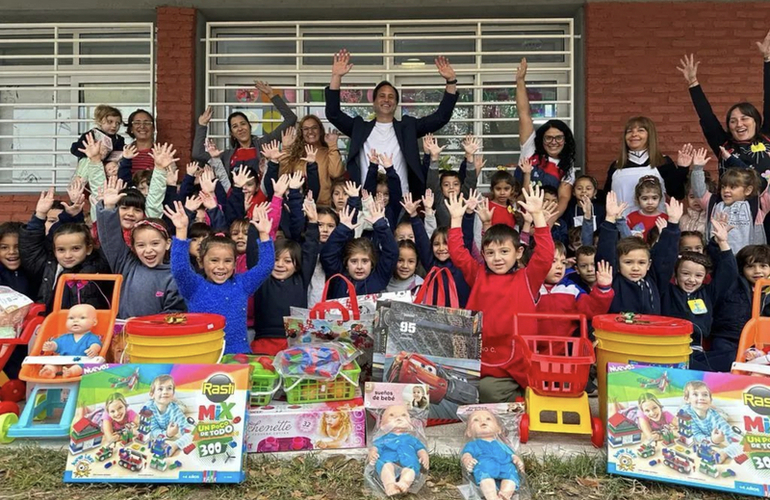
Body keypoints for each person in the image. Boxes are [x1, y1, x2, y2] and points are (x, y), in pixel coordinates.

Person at [446, 187, 554, 403]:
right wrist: (456, 220)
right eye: (490, 253)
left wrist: (538, 217)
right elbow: (458, 253)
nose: (497, 259)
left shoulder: (527, 277)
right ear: (483, 254)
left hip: (517, 362)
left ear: (519, 252)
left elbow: (544, 256)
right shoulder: (477, 274)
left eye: (504, 252)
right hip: (483, 357)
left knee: (490, 391)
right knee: (472, 391)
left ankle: (523, 396)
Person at [326, 49, 458, 197]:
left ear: (396, 104)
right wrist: (336, 76)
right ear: (374, 102)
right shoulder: (359, 128)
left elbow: (441, 117)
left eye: (391, 97)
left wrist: (451, 81)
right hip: (366, 200)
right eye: (382, 96)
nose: (386, 99)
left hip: (401, 200)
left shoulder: (408, 128)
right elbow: (333, 114)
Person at [166, 201, 274, 355]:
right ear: (201, 261)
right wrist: (181, 230)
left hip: (239, 354)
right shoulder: (194, 286)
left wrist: (264, 234)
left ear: (235, 263)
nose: (221, 267)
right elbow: (179, 269)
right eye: (214, 260)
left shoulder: (242, 284)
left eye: (228, 261)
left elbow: (265, 266)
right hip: (202, 354)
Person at [677, 30, 770, 180]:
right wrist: (693, 83)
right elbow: (707, 118)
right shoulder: (724, 145)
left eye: (744, 118)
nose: (739, 124)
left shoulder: (767, 137)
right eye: (733, 121)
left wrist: (767, 59)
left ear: (756, 121)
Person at [96, 176, 185, 319]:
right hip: (124, 334)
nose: (148, 250)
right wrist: (109, 208)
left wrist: (143, 324)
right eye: (141, 245)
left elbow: (174, 313)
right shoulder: (126, 265)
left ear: (168, 244)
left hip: (156, 337)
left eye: (155, 243)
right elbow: (109, 239)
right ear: (133, 246)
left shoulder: (174, 274)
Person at [192, 81, 297, 192]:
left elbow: (291, 119)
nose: (240, 128)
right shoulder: (226, 156)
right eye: (235, 126)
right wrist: (202, 125)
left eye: (243, 124)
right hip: (236, 202)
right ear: (232, 133)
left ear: (249, 126)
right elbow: (197, 154)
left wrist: (271, 95)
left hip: (262, 201)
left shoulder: (264, 144)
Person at [20, 184, 110, 313]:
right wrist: (40, 214)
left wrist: (107, 209)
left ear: (89, 248)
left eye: (75, 249)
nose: (68, 255)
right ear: (54, 249)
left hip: (90, 326)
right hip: (51, 325)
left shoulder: (98, 265)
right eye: (61, 250)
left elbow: (110, 240)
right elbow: (30, 248)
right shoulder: (48, 265)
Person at [514, 58, 576, 218]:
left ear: (565, 140)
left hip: (547, 220)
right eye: (548, 138)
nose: (553, 142)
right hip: (520, 218)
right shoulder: (530, 148)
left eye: (558, 138)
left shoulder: (567, 166)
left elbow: (563, 198)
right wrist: (520, 81)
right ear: (541, 139)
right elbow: (524, 114)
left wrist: (547, 223)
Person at [604, 117, 688, 216]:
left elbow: (677, 194)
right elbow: (605, 198)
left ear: (650, 135)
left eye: (640, 130)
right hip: (621, 226)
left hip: (655, 226)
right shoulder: (616, 166)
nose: (634, 134)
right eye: (629, 131)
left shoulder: (662, 162)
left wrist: (682, 169)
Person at [319, 203, 398, 298]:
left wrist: (380, 225)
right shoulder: (339, 277)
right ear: (346, 264)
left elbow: (392, 253)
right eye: (354, 261)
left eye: (365, 261)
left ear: (372, 263)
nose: (359, 267)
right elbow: (328, 256)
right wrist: (342, 229)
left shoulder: (379, 277)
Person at [279, 115, 344, 206]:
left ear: (320, 130)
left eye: (314, 128)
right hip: (300, 207)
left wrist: (333, 146)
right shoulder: (296, 154)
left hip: (323, 206)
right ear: (301, 132)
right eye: (306, 129)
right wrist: (286, 148)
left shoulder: (328, 152)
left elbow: (336, 173)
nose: (310, 131)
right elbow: (283, 176)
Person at [460, 409, 524, 500]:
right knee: (484, 475)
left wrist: (517, 460)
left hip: (505, 464)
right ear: (468, 432)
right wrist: (467, 460)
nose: (483, 422)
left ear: (498, 429)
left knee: (511, 475)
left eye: (488, 419)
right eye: (476, 420)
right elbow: (466, 454)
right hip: (485, 465)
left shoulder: (501, 444)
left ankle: (505, 495)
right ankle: (492, 497)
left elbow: (511, 454)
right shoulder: (473, 444)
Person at [367, 404, 429, 497]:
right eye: (391, 415)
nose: (398, 418)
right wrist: (372, 452)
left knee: (410, 470)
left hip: (409, 461)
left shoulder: (411, 438)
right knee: (386, 467)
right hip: (387, 460)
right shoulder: (384, 438)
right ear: (382, 424)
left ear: (410, 423)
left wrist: (424, 456)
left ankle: (404, 483)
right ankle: (389, 485)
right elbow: (376, 447)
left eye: (403, 415)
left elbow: (420, 448)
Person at [39, 303, 101, 379]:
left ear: (94, 322)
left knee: (81, 367)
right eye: (71, 318)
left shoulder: (91, 337)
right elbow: (57, 344)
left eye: (82, 318)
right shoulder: (64, 337)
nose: (75, 321)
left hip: (80, 361)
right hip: (63, 361)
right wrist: (51, 345)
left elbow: (96, 344)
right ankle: (49, 371)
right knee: (52, 363)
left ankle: (70, 372)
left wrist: (94, 349)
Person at [145, 374, 193, 456]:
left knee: (181, 409)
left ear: (173, 394)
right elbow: (152, 431)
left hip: (174, 409)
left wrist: (175, 445)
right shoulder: (148, 409)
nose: (165, 392)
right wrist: (167, 434)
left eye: (169, 388)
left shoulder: (175, 410)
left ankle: (181, 405)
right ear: (152, 394)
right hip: (162, 423)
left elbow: (190, 433)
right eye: (160, 389)